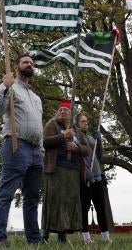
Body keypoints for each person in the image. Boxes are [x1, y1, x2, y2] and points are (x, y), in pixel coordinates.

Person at [0, 54, 44, 247]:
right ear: (17, 66)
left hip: (36, 150)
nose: (29, 64)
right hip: (16, 145)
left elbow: (39, 125)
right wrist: (4, 86)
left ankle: (34, 239)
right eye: (25, 62)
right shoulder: (10, 87)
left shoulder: (37, 98)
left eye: (31, 63)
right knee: (6, 193)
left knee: (32, 197)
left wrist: (42, 150)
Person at [42, 100, 89, 243]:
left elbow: (87, 150)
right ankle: (45, 234)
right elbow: (45, 142)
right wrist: (63, 136)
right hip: (56, 169)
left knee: (67, 203)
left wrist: (76, 148)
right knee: (54, 201)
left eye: (66, 110)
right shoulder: (52, 124)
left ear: (70, 114)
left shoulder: (77, 130)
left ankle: (63, 235)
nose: (63, 112)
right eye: (60, 110)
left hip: (73, 172)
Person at [76, 112, 111, 244]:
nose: (86, 123)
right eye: (82, 121)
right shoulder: (75, 137)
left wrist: (99, 140)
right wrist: (84, 172)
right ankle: (86, 238)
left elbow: (99, 156)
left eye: (86, 121)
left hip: (97, 176)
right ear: (77, 123)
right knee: (84, 208)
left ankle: (106, 237)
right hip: (85, 177)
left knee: (101, 208)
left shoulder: (91, 138)